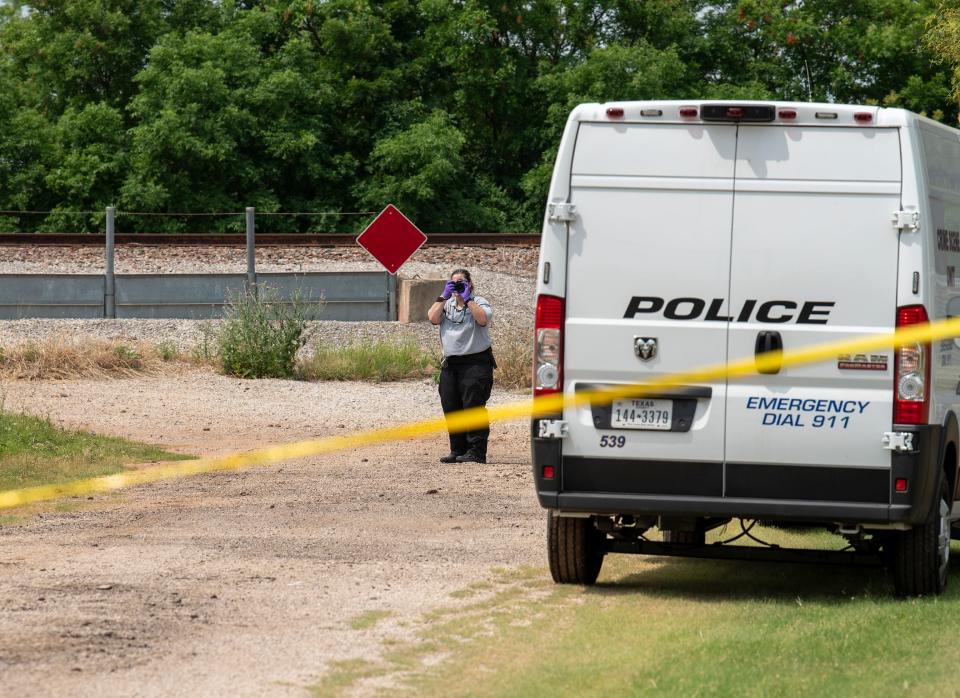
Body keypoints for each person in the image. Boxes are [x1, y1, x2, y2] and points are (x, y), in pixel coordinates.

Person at [427, 268, 495, 464]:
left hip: (476, 363)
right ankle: (457, 450)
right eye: (453, 282)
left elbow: (482, 319)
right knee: (451, 407)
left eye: (461, 283)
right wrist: (443, 295)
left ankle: (476, 452)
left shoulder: (479, 301)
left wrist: (468, 299)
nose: (457, 286)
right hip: (451, 364)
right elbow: (432, 318)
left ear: (470, 284)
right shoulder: (446, 304)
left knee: (473, 407)